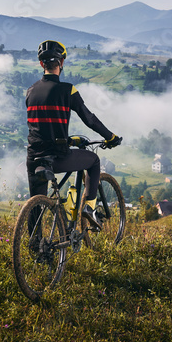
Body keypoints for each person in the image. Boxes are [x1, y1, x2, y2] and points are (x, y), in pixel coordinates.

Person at [26, 40, 122, 228]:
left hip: (34, 158)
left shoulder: (30, 91)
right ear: (61, 63)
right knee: (94, 160)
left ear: (41, 64)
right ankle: (89, 208)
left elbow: (42, 126)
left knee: (35, 205)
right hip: (57, 157)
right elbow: (90, 119)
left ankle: (35, 249)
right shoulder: (68, 90)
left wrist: (68, 139)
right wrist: (110, 136)